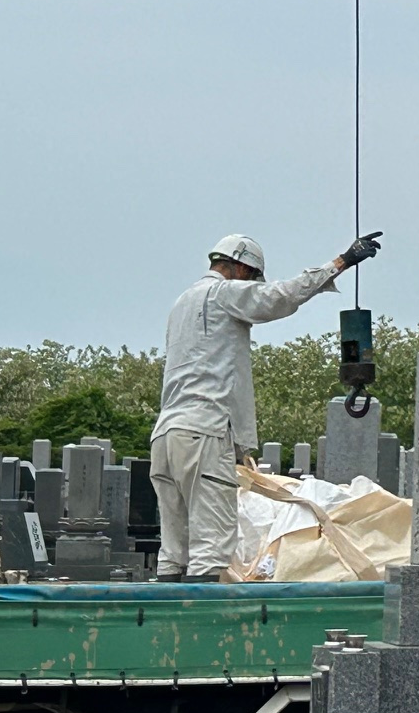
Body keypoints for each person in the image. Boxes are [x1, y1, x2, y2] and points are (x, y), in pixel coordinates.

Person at [149, 231, 382, 580]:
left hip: (165, 436)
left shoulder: (183, 302)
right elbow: (280, 297)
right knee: (211, 547)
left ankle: (166, 610)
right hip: (204, 431)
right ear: (241, 267)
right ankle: (202, 614)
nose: (250, 284)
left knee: (173, 550)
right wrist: (341, 263)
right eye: (251, 277)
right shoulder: (223, 293)